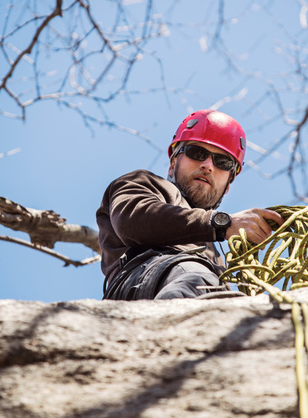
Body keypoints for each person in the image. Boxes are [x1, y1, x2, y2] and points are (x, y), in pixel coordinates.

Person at [96, 109, 284, 300]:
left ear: (228, 185)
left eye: (222, 162)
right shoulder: (142, 182)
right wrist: (222, 224)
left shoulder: (212, 250)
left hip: (197, 283)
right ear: (173, 163)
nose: (208, 165)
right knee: (197, 278)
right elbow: (133, 221)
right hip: (142, 282)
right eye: (197, 152)